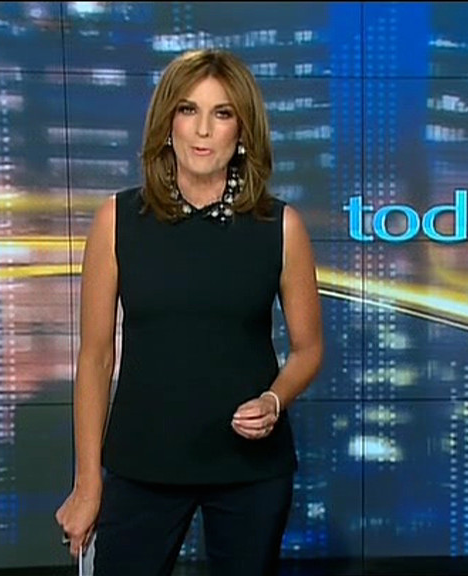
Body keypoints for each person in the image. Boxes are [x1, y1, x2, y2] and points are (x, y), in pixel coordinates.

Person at [55, 49, 323, 575]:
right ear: (167, 123)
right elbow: (96, 358)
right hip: (142, 462)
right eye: (188, 110)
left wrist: (274, 400)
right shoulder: (116, 220)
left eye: (222, 113)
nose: (203, 130)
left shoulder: (281, 227)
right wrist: (87, 485)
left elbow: (308, 350)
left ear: (242, 131)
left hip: (250, 471)